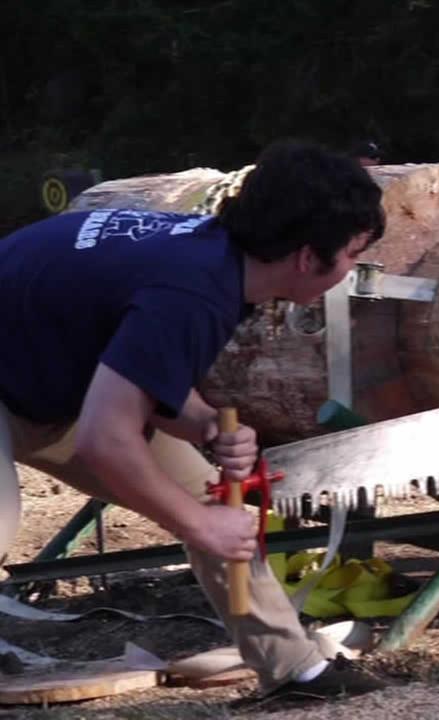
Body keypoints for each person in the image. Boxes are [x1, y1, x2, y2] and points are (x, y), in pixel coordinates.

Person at [0, 142, 390, 699]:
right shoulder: (195, 288)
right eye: (352, 254)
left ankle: (296, 670)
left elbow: (140, 370)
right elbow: (104, 440)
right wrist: (196, 525)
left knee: (212, 500)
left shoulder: (216, 259)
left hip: (48, 388)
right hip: (29, 390)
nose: (353, 268)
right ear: (307, 257)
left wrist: (205, 422)